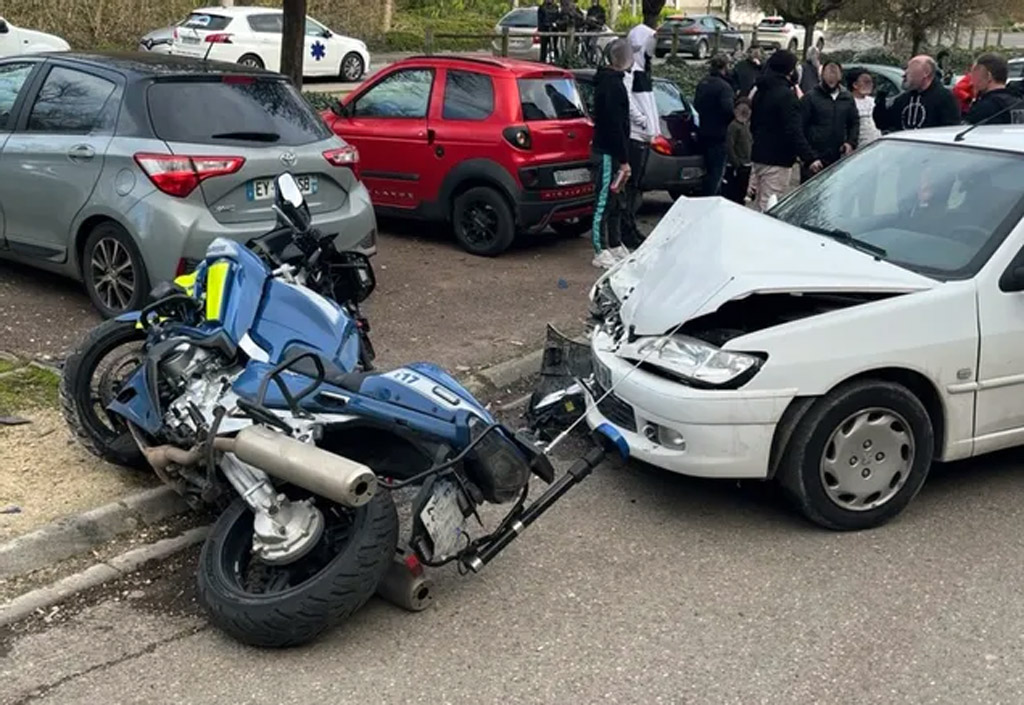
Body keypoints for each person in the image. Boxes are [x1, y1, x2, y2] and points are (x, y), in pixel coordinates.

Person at [749, 50, 819, 212]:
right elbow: (793, 129)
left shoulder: (761, 91)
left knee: (760, 202)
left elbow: (753, 124)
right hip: (778, 159)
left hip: (759, 155)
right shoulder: (787, 96)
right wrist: (809, 157)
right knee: (771, 206)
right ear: (789, 71)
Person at [590, 39, 633, 268]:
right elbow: (615, 125)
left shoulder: (615, 83)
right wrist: (624, 159)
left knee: (617, 200)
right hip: (607, 152)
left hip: (615, 152)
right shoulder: (611, 85)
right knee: (604, 201)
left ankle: (615, 244)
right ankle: (600, 249)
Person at [621, 15, 660, 249]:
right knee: (630, 189)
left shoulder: (642, 70)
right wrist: (643, 121)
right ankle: (625, 230)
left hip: (644, 137)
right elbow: (627, 101)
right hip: (635, 138)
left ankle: (630, 227)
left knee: (635, 188)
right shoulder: (631, 71)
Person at [799, 60, 858, 182]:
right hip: (815, 159)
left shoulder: (847, 98)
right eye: (828, 74)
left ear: (840, 76)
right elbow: (799, 129)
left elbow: (854, 123)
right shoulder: (810, 98)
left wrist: (850, 142)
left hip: (837, 158)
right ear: (822, 75)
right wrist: (809, 158)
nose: (832, 77)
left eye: (835, 74)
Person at [873, 55, 959, 132]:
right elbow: (884, 124)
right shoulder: (903, 99)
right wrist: (880, 102)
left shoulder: (944, 98)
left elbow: (949, 131)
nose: (904, 74)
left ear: (926, 73)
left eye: (909, 70)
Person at [694, 54, 736, 196]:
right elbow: (728, 110)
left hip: (703, 130)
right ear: (725, 66)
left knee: (707, 169)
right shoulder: (724, 88)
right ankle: (711, 199)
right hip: (719, 134)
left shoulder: (703, 83)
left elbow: (697, 104)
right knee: (716, 172)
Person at [965, 53, 1024, 125]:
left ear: (989, 76)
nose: (971, 81)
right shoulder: (1018, 102)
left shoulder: (984, 108)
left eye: (974, 74)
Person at [723, 97, 753, 205]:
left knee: (742, 193)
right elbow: (729, 146)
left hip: (747, 164)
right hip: (737, 166)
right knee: (734, 193)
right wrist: (736, 164)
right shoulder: (734, 126)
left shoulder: (746, 126)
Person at [849, 70, 881, 147]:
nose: (870, 85)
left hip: (877, 145)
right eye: (866, 82)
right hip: (858, 147)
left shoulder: (873, 101)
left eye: (871, 82)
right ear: (855, 84)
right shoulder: (848, 102)